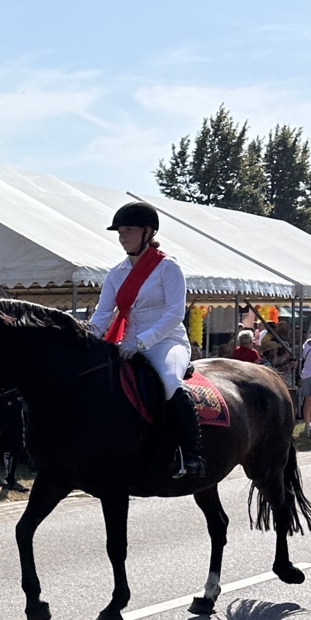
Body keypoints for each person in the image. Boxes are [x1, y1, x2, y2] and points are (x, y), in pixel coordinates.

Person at [88, 201, 204, 478]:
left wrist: (142, 341)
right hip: (126, 343)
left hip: (166, 342)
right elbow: (103, 314)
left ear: (148, 232)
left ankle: (192, 454)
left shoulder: (167, 268)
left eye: (128, 230)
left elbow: (175, 313)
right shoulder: (116, 273)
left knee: (168, 382)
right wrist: (86, 336)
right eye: (119, 232)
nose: (122, 236)